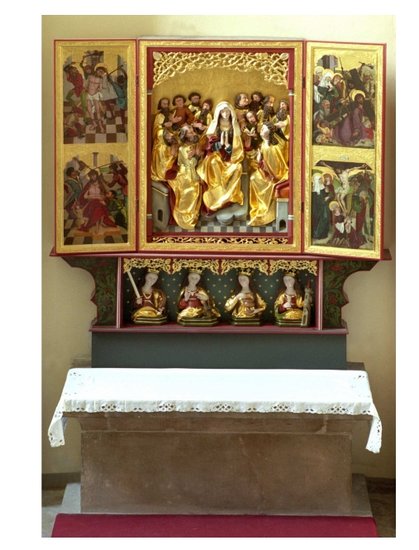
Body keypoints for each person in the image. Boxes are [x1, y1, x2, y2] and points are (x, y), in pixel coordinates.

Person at [197, 101, 244, 214]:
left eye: (227, 111)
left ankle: (229, 195)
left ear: (231, 112)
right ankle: (218, 192)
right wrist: (219, 145)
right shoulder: (215, 126)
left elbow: (237, 148)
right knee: (213, 162)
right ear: (218, 113)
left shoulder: (234, 127)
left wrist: (227, 147)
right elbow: (208, 146)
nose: (225, 114)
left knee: (238, 167)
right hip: (215, 155)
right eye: (223, 111)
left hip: (229, 158)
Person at [248, 122, 289, 226]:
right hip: (265, 172)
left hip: (275, 175)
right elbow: (261, 161)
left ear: (270, 131)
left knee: (256, 180)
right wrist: (259, 159)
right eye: (261, 128)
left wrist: (269, 173)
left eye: (264, 128)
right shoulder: (262, 145)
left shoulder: (274, 147)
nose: (261, 130)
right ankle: (259, 206)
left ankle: (265, 209)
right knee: (253, 178)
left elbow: (277, 166)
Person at [167, 124, 203, 230]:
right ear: (185, 136)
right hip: (185, 175)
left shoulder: (195, 145)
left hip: (193, 173)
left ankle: (193, 216)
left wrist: (198, 153)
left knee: (196, 189)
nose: (193, 133)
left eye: (193, 131)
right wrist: (196, 155)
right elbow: (190, 163)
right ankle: (185, 218)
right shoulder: (183, 149)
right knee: (191, 191)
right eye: (190, 132)